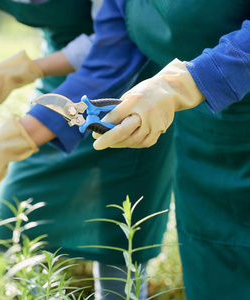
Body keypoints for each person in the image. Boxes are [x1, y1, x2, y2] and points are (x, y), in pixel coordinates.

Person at [0, 1, 175, 299]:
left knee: (119, 244)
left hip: (131, 90)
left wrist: (22, 77)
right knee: (9, 237)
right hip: (58, 89)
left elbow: (118, 40)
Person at [52, 0, 248, 299]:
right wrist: (17, 135)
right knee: (213, 268)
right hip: (203, 145)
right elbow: (109, 56)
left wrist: (186, 82)